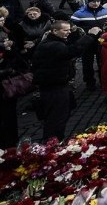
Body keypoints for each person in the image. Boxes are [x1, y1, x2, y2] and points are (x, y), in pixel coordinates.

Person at [31, 21, 101, 141]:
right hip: (54, 88)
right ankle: (52, 144)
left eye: (69, 30)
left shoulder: (52, 42)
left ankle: (54, 141)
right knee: (56, 118)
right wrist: (90, 36)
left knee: (62, 113)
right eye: (65, 30)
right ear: (54, 31)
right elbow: (73, 51)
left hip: (57, 86)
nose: (68, 32)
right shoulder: (54, 46)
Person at [70, 0, 107, 90]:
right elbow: (73, 28)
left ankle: (103, 81)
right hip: (87, 41)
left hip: (101, 40)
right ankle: (89, 82)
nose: (96, 3)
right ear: (88, 2)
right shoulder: (78, 14)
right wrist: (88, 30)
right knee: (87, 63)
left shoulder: (106, 11)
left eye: (98, 1)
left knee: (102, 62)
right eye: (93, 1)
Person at [0, 9, 29, 148]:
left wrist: (11, 49)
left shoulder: (6, 32)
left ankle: (10, 143)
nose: (2, 22)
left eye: (2, 19)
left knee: (9, 114)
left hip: (9, 79)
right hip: (4, 78)